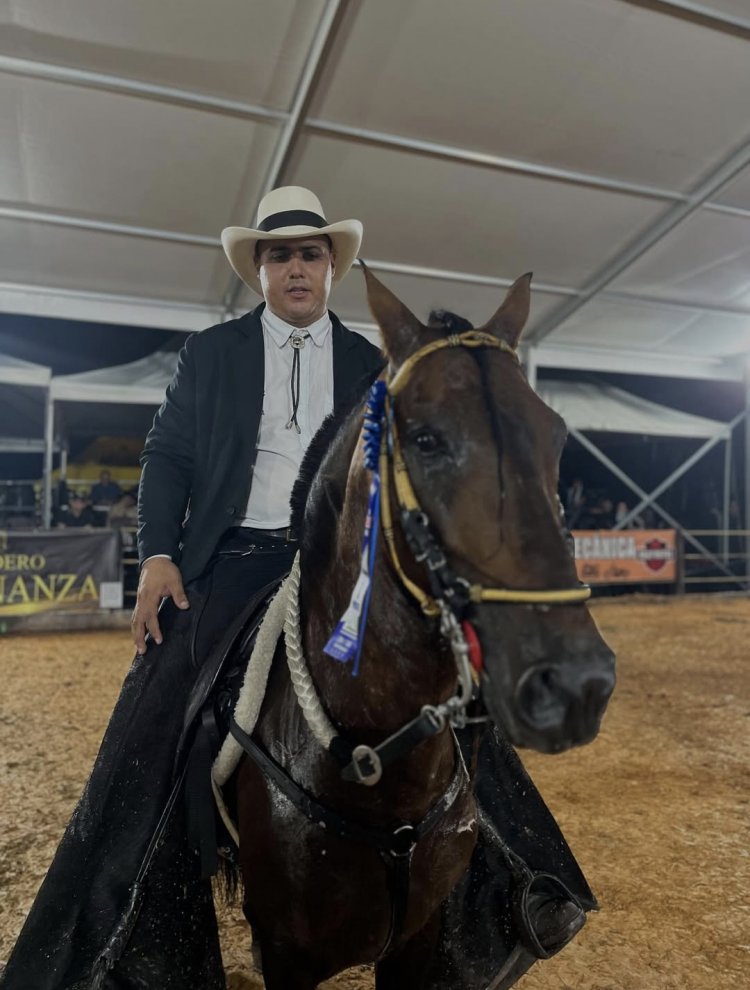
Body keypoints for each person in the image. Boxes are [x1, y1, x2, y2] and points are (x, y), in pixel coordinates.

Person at [1, 186, 590, 989]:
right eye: (280, 255)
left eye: (311, 253)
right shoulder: (211, 353)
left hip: (344, 565)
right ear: (260, 270)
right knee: (155, 708)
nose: (296, 268)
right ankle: (110, 937)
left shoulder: (373, 364)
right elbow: (168, 455)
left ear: (331, 266)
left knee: (458, 699)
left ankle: (519, 880)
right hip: (236, 557)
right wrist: (159, 555)